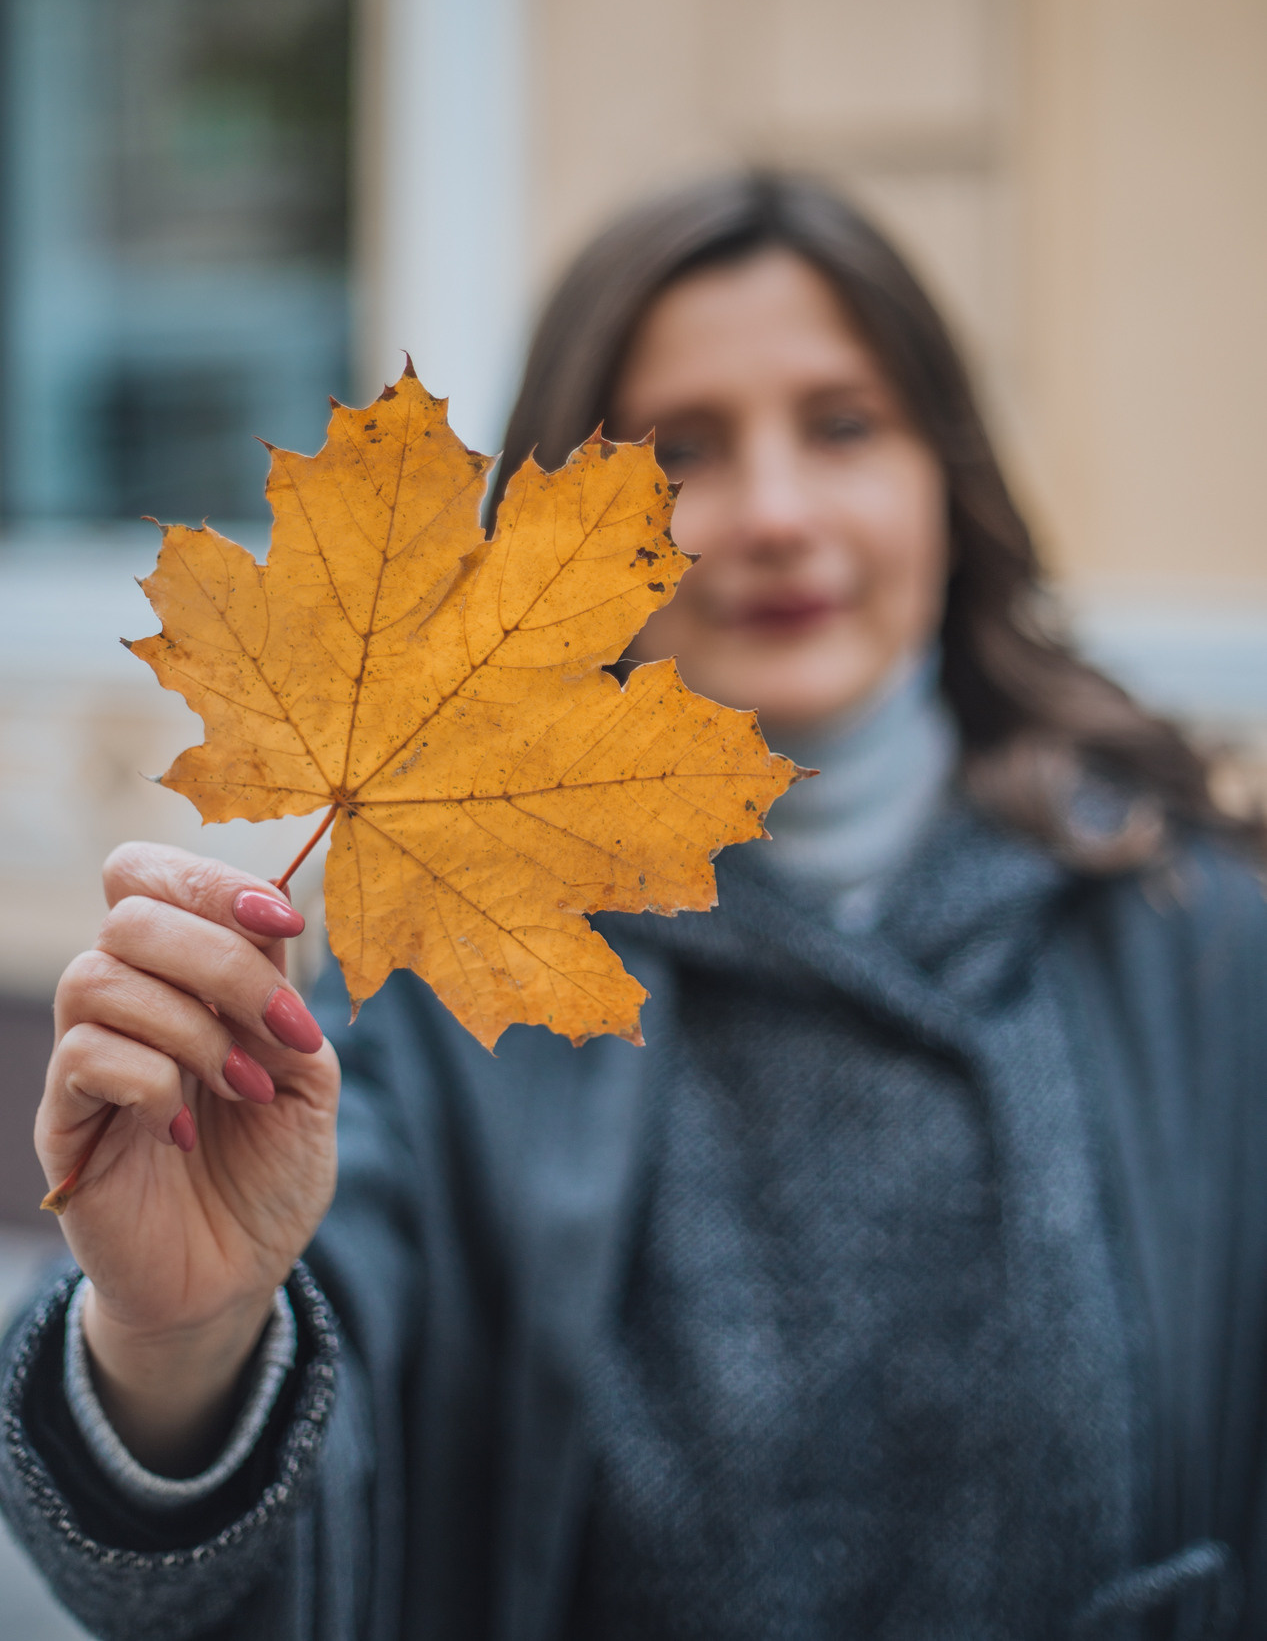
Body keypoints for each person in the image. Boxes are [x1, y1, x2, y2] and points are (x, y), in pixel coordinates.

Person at [2, 170, 1265, 1641]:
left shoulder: (1195, 946)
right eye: (687, 451)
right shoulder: (440, 980)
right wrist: (179, 1343)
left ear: (949, 472)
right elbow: (301, 1493)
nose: (778, 513)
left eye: (843, 425)